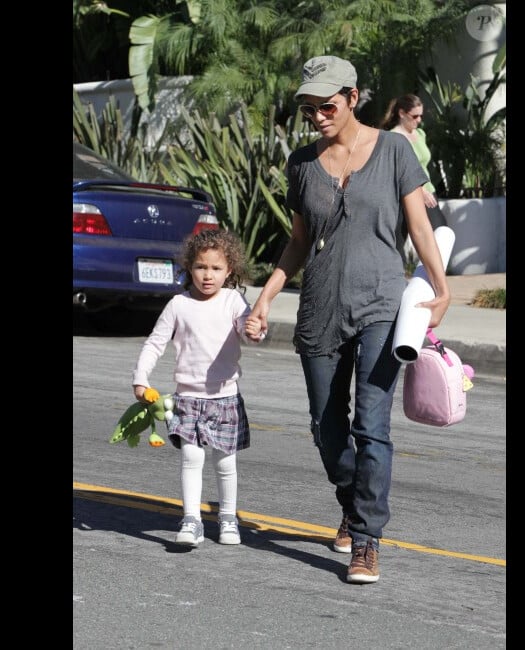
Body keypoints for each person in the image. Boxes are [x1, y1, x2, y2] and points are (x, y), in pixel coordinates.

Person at [246, 56, 450, 584]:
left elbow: (421, 228)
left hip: (382, 303)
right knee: (326, 429)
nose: (318, 116)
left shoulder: (395, 151)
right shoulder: (302, 164)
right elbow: (297, 242)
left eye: (327, 105)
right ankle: (352, 502)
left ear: (353, 98)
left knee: (371, 425)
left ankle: (366, 540)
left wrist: (442, 288)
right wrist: (266, 297)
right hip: (319, 308)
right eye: (309, 108)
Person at [132, 229, 264, 548]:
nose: (208, 275)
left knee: (225, 462)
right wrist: (140, 377)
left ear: (229, 270)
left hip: (225, 398)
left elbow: (247, 332)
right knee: (191, 457)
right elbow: (156, 342)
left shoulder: (233, 301)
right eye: (201, 267)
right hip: (187, 398)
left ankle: (228, 518)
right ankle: (191, 519)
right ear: (190, 267)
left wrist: (255, 331)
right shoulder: (179, 304)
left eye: (216, 269)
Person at [380, 94, 448, 262]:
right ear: (402, 113)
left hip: (428, 192)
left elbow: (423, 164)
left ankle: (428, 278)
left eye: (421, 116)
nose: (419, 120)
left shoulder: (420, 134)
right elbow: (395, 170)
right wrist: (420, 190)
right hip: (406, 194)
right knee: (398, 240)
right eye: (415, 116)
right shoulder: (392, 137)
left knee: (441, 232)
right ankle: (399, 279)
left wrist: (426, 189)